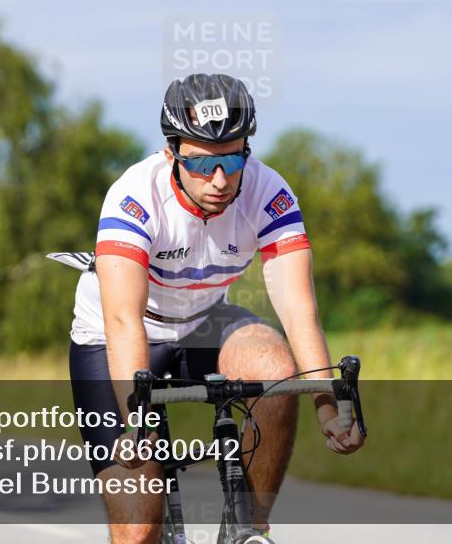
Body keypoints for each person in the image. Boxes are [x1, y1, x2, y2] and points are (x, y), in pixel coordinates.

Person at [68, 73, 364, 543]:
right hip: (115, 338)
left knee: (274, 367)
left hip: (202, 321)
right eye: (203, 163)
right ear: (171, 154)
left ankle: (250, 529)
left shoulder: (268, 192)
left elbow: (298, 311)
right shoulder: (134, 196)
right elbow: (123, 319)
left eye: (232, 159)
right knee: (139, 528)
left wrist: (327, 406)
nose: (221, 180)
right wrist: (136, 421)